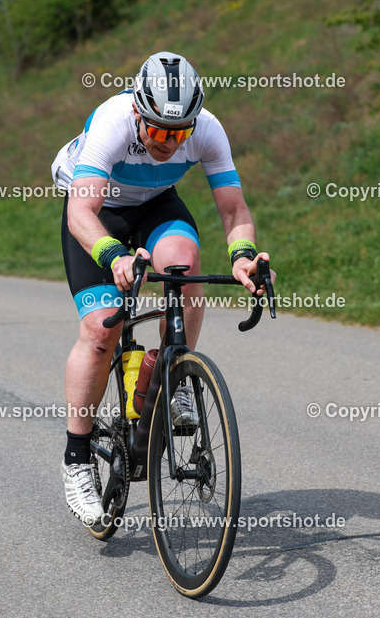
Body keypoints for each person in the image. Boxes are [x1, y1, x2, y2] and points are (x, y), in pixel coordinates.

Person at [51, 51, 272, 525]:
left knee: (184, 267)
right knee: (99, 331)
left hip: (155, 203)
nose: (168, 143)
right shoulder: (113, 121)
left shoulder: (207, 129)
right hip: (98, 208)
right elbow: (79, 214)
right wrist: (114, 256)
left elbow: (234, 212)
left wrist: (243, 256)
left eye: (179, 133)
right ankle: (77, 460)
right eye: (157, 131)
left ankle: (175, 377)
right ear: (138, 112)